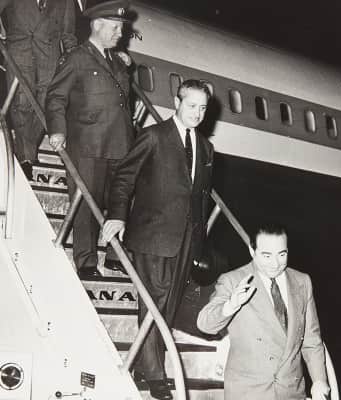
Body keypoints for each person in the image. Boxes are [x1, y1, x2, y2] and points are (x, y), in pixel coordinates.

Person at [102, 79, 214, 400]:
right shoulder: (153, 136)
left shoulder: (206, 148)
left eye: (202, 108)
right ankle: (155, 375)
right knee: (154, 301)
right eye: (191, 106)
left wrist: (199, 240)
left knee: (169, 304)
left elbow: (200, 198)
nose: (197, 113)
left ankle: (145, 363)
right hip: (152, 234)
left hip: (186, 240)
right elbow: (124, 177)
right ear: (176, 103)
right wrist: (118, 215)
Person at [45, 0, 135, 279]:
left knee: (120, 199)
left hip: (120, 142)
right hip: (87, 143)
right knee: (86, 201)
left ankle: (115, 255)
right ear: (97, 25)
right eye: (115, 27)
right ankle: (86, 260)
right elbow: (56, 97)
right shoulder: (76, 58)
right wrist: (58, 130)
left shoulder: (117, 61)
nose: (120, 33)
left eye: (121, 28)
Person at [197, 222, 330, 400]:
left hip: (291, 392)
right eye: (266, 256)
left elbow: (311, 340)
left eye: (282, 254)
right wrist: (230, 305)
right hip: (249, 394)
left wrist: (319, 380)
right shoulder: (232, 280)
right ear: (252, 251)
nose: (275, 264)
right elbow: (205, 324)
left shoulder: (302, 281)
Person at [0, 0, 77, 180]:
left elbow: (68, 33)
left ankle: (28, 149)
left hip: (49, 57)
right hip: (19, 52)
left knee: (44, 105)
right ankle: (26, 157)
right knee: (21, 103)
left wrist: (74, 58)